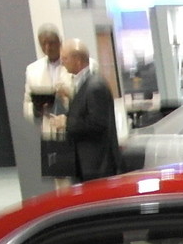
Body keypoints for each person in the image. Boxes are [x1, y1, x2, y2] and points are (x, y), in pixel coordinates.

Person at [59, 40, 119, 181]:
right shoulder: (84, 84)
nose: (62, 62)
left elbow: (97, 124)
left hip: (96, 165)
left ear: (78, 60)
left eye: (65, 58)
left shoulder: (95, 86)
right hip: (85, 164)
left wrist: (66, 123)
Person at [25, 24, 70, 182]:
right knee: (60, 182)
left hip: (73, 128)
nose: (47, 47)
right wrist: (37, 109)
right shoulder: (32, 70)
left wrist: (66, 95)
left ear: (60, 42)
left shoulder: (74, 62)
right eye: (43, 43)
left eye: (51, 43)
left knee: (80, 183)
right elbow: (27, 103)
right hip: (50, 131)